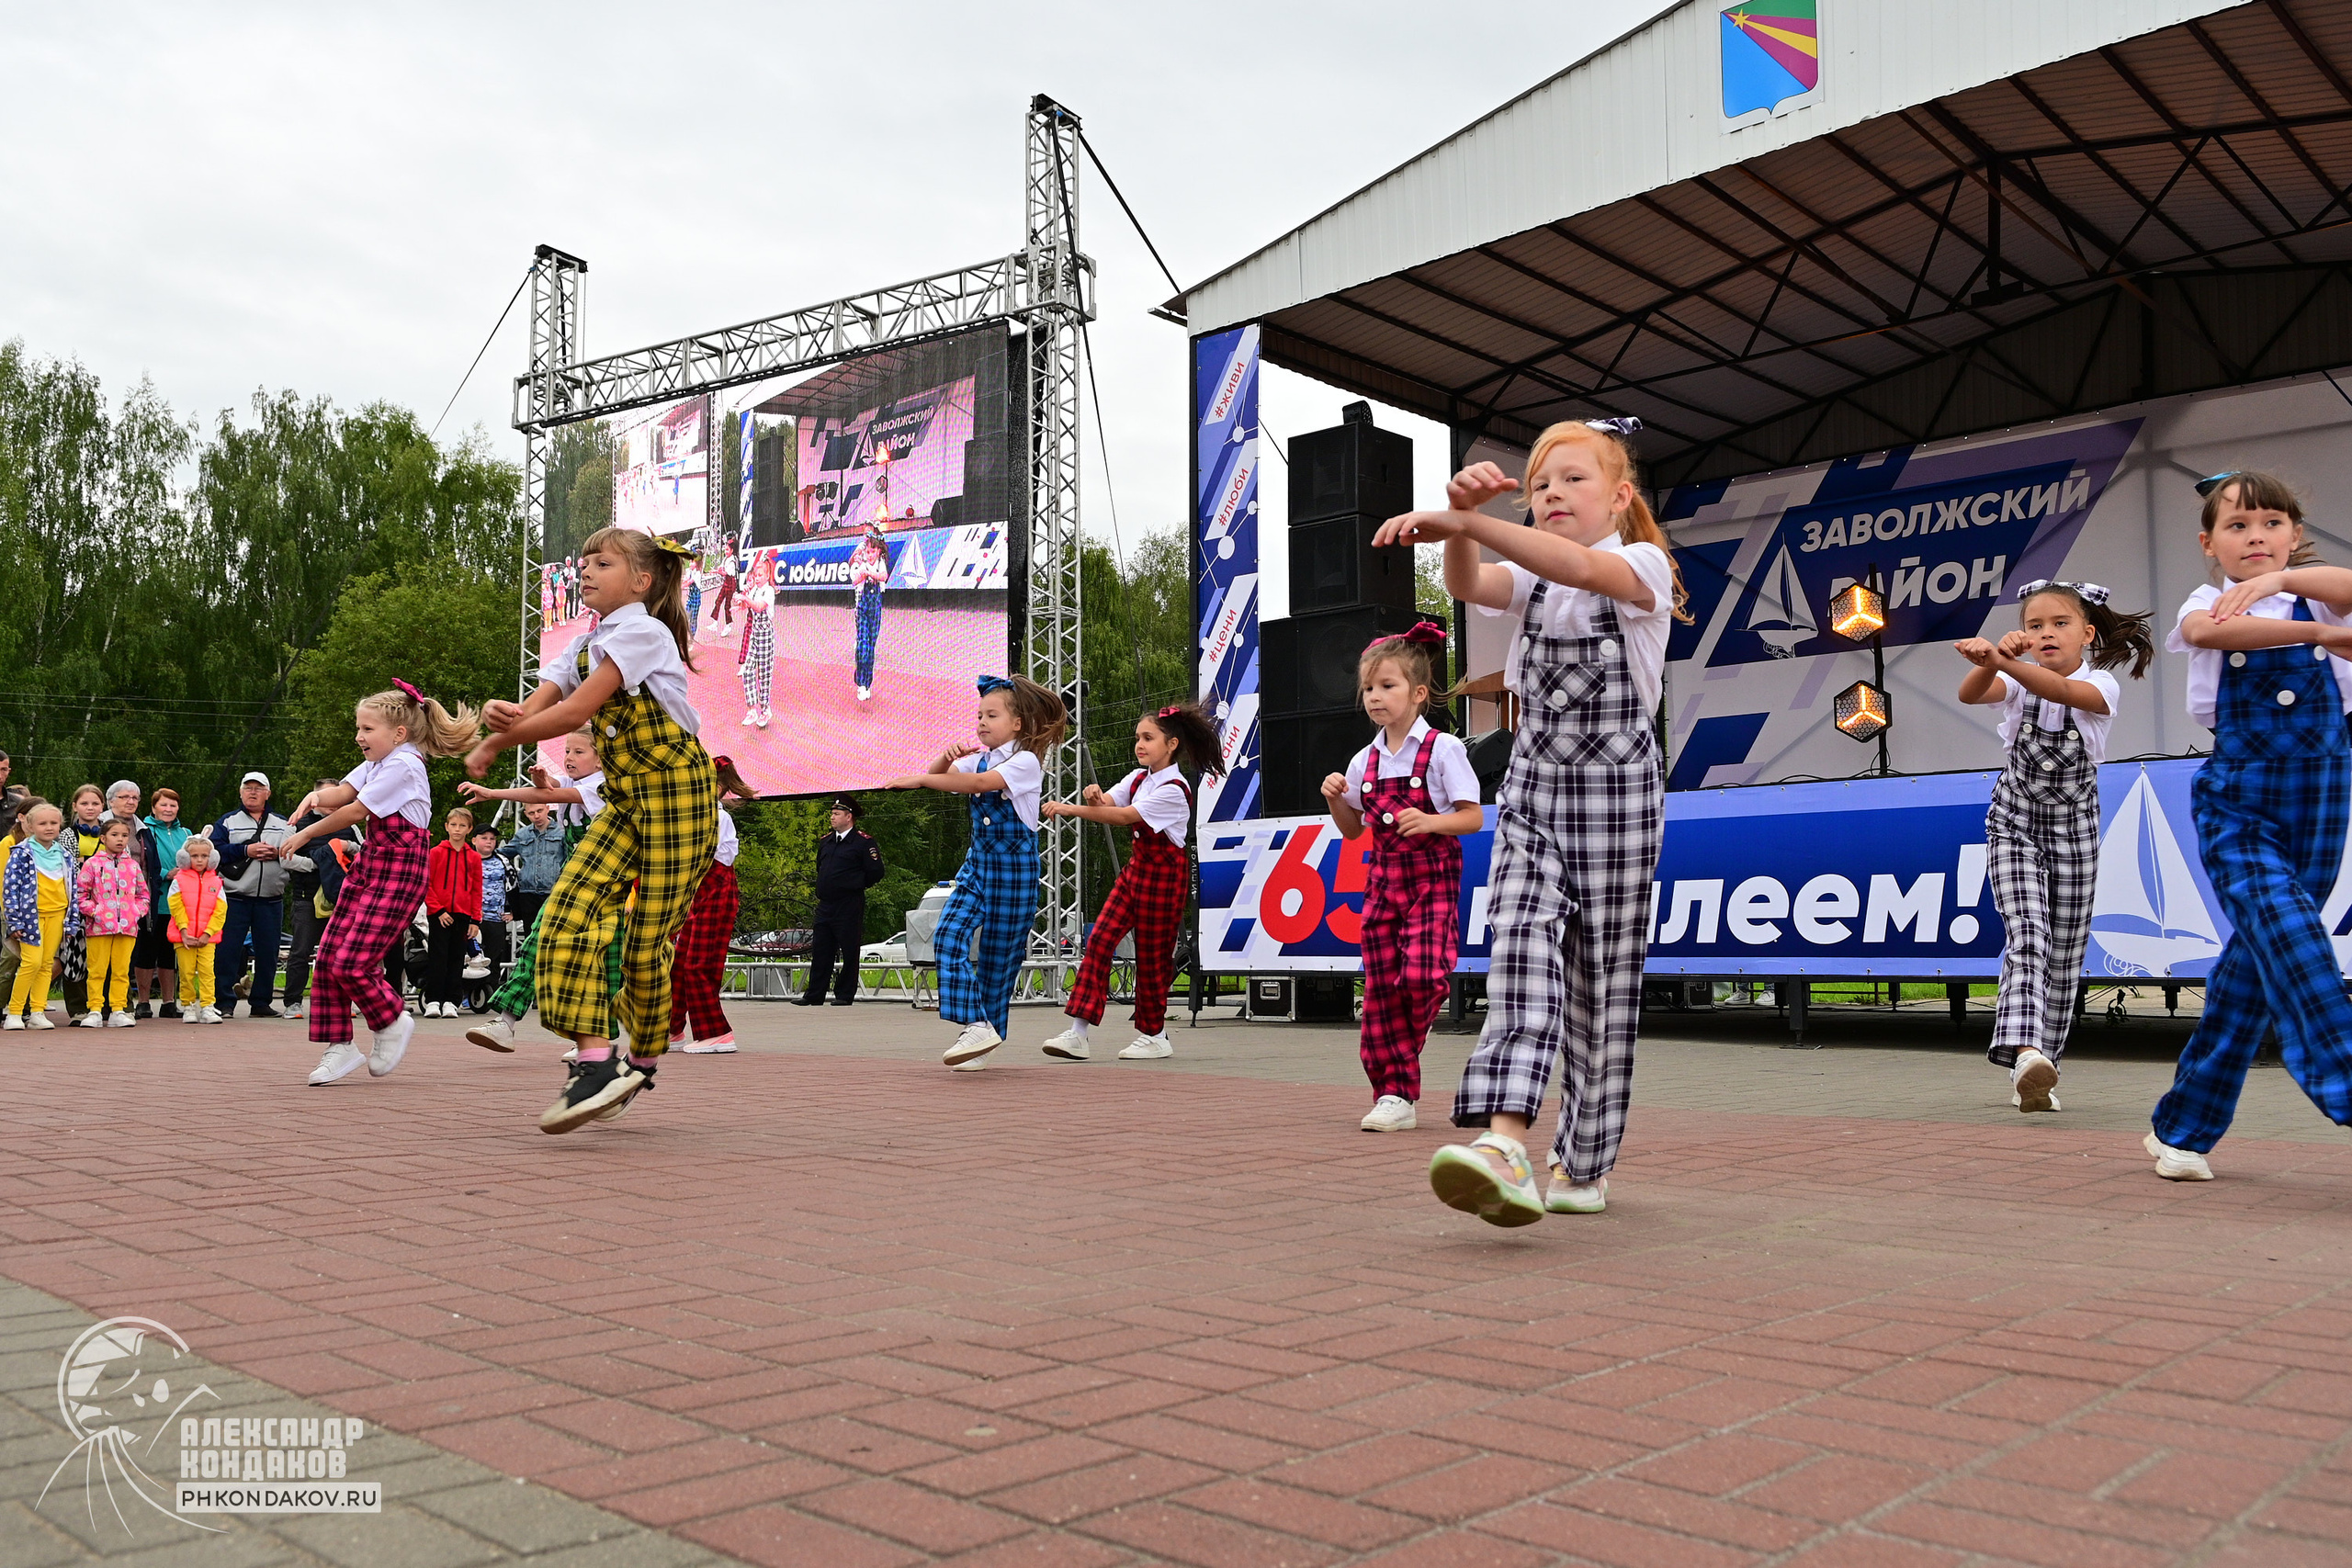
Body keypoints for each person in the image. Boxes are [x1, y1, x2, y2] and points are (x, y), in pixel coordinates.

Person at [1376, 417, 1685, 1225]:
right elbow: (1473, 584)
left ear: (1619, 497)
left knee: (1601, 986)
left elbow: (1581, 565)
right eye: (1540, 483)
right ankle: (1505, 1141)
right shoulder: (1533, 580)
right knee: (1518, 940)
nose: (1552, 493)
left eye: (1572, 479)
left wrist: (1472, 522)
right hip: (1536, 789)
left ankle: (1583, 1161)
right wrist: (1456, 517)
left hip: (1619, 797)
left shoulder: (1639, 561)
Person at [464, 526, 718, 1134]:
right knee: (562, 917)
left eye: (602, 562)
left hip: (679, 796)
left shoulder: (644, 632)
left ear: (642, 579)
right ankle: (596, 1062)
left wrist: (498, 739)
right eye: (583, 562)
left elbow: (575, 712)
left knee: (643, 944)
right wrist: (504, 714)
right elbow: (538, 706)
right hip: (627, 802)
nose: (586, 570)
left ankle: (644, 1059)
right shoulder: (580, 645)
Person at [2146, 471, 2352, 1179]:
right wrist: (2319, 629)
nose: (2255, 535)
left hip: (2324, 801)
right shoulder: (2208, 599)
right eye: (2237, 526)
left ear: (2295, 535)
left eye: (2270, 522)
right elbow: (2211, 630)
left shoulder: (2323, 590)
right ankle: (2346, 1076)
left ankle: (2180, 1128)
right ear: (2210, 544)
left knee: (2249, 973)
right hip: (2239, 802)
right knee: (2294, 937)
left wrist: (2290, 589)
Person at [1956, 581, 2154, 1114]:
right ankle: (2025, 1054)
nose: (2046, 634)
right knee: (2029, 935)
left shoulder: (2102, 685)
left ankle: (2044, 1062)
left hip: (2076, 828)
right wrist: (1987, 663)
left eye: (2060, 624)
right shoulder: (2017, 683)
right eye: (2035, 625)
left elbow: (2063, 694)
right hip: (2013, 821)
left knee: (2066, 952)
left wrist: (2003, 658)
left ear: (2088, 633)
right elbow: (1970, 695)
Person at [1319, 626, 1484, 1131]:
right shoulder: (1362, 760)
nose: (1375, 697)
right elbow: (1352, 830)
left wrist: (1432, 821)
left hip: (1432, 877)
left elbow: (1472, 816)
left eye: (1387, 686)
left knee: (1422, 977)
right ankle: (1393, 1091)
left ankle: (1399, 1074)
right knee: (1381, 992)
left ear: (1417, 693)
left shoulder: (1442, 749)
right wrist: (1333, 799)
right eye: (1369, 688)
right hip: (1384, 881)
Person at [288, 681, 481, 1087]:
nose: (359, 736)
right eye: (358, 728)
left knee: (351, 962)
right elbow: (343, 792)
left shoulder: (404, 765)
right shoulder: (380, 762)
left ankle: (391, 1017)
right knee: (328, 960)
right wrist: (314, 797)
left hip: (399, 873)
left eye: (367, 729)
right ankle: (339, 1047)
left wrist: (307, 833)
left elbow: (356, 810)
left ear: (399, 733)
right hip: (371, 866)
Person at [885, 674, 1068, 1071]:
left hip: (1014, 870)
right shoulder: (975, 758)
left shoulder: (1025, 762)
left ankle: (983, 1041)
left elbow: (981, 784)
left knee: (999, 962)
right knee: (948, 935)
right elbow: (948, 775)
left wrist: (921, 779)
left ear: (1017, 724)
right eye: (979, 715)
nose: (982, 722)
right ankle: (975, 1024)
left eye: (992, 715)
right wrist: (944, 759)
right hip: (977, 865)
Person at [1038, 702, 1223, 1063]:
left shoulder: (1174, 788)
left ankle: (1155, 1035)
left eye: (1148, 738)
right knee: (1101, 940)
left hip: (1164, 880)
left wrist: (1071, 807)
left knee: (1152, 960)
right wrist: (1094, 797)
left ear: (1170, 745)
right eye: (1138, 737)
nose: (1139, 744)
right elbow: (1109, 802)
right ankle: (1078, 1033)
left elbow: (1123, 816)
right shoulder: (1138, 778)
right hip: (1136, 873)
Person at [460, 733, 621, 1054]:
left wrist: (534, 786)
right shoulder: (570, 783)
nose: (569, 756)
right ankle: (505, 1022)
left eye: (578, 751)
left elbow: (551, 791)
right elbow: (541, 790)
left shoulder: (603, 786)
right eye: (566, 750)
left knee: (603, 961)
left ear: (601, 758)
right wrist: (495, 792)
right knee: (538, 939)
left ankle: (593, 1038)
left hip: (609, 885)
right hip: (575, 882)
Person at [670, 756, 756, 1052]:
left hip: (715, 892)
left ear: (717, 788)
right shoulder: (691, 815)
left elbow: (717, 863)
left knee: (699, 965)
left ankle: (716, 1033)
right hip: (694, 895)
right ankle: (672, 1030)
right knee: (678, 964)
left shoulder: (718, 818)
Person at [209, 772, 306, 1020]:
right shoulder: (227, 822)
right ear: (240, 793)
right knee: (227, 951)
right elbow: (212, 852)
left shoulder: (284, 823)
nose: (252, 792)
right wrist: (245, 849)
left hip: (271, 898)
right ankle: (224, 1002)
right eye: (248, 788)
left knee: (268, 952)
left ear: (268, 794)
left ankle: (261, 1002)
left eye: (258, 788)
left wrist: (278, 854)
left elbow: (298, 851)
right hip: (235, 896)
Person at [279, 778, 355, 1019]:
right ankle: (293, 1003)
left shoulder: (350, 824)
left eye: (337, 796)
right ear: (314, 799)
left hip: (342, 899)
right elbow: (284, 858)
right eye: (327, 797)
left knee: (343, 953)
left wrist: (347, 846)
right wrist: (320, 862)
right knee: (300, 952)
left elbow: (365, 853)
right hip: (306, 897)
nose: (333, 803)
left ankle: (342, 1002)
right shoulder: (296, 823)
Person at [797, 795, 883, 1008]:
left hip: (849, 903)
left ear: (849, 817)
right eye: (832, 814)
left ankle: (844, 994)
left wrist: (854, 884)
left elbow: (876, 871)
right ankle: (814, 994)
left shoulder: (863, 842)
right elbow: (821, 867)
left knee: (849, 949)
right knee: (821, 948)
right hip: (826, 903)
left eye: (836, 814)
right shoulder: (826, 841)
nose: (832, 818)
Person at [5, 802, 78, 1029]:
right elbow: (10, 888)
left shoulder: (65, 855)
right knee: (31, 962)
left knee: (47, 963)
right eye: (42, 823)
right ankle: (14, 1012)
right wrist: (14, 920)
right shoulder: (20, 853)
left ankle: (38, 1011)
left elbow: (72, 888)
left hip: (57, 915)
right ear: (29, 825)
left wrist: (72, 920)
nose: (49, 827)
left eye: (54, 823)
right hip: (30, 918)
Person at [74, 816, 149, 1028]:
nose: (120, 840)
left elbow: (143, 895)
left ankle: (118, 1009)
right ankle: (95, 1009)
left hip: (127, 927)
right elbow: (81, 894)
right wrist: (95, 911)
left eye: (124, 836)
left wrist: (135, 912)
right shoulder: (92, 864)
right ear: (103, 837)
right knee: (97, 970)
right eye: (115, 835)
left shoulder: (133, 866)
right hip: (98, 927)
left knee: (121, 970)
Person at [134, 787, 192, 1019]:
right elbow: (141, 862)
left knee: (170, 953)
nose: (168, 809)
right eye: (164, 805)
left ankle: (169, 1002)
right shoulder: (144, 831)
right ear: (153, 808)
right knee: (146, 952)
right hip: (152, 899)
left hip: (179, 902)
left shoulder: (186, 833)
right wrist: (167, 873)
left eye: (173, 805)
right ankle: (144, 1001)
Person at [421, 806, 481, 1020]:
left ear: (469, 829)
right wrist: (438, 910)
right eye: (453, 825)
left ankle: (451, 1002)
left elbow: (476, 889)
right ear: (446, 827)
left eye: (462, 826)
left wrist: (475, 919)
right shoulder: (435, 853)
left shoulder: (473, 857)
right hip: (439, 914)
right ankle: (433, 1000)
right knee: (438, 957)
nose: (457, 829)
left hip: (463, 914)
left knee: (457, 958)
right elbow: (426, 884)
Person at [168, 836, 228, 1024]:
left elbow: (220, 911)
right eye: (194, 856)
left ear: (212, 858)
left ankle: (208, 1006)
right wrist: (184, 932)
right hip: (183, 937)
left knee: (207, 972)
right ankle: (188, 1006)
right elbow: (176, 907)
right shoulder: (178, 880)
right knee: (185, 973)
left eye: (204, 856)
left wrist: (208, 933)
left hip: (207, 938)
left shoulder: (217, 882)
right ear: (185, 858)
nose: (200, 860)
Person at [60, 784, 106, 1023]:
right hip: (76, 905)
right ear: (75, 806)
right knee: (75, 955)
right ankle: (77, 1007)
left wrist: (86, 861)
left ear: (102, 806)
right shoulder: (68, 835)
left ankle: (102, 1004)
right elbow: (71, 869)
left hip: (105, 906)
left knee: (102, 956)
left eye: (95, 803)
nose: (90, 808)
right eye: (85, 803)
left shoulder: (109, 832)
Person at [503, 802, 565, 934]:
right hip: (528, 893)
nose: (536, 816)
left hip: (554, 892)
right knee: (530, 935)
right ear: (525, 814)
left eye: (539, 811)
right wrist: (479, 855)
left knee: (554, 935)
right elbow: (504, 853)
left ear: (547, 809)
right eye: (531, 813)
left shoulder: (562, 831)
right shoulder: (522, 835)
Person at [470, 823, 513, 1009]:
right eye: (484, 838)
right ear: (474, 840)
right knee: (472, 958)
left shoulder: (503, 861)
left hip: (496, 918)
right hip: (472, 919)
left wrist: (512, 911)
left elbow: (512, 886)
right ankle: (469, 995)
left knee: (493, 958)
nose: (488, 842)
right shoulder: (467, 859)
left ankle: (491, 996)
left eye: (492, 839)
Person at [848, 525, 889, 703]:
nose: (870, 555)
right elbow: (854, 579)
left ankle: (867, 682)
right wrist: (863, 573)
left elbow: (884, 576)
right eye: (868, 552)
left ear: (879, 552)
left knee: (871, 648)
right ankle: (861, 683)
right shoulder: (862, 564)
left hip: (875, 609)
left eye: (873, 552)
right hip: (863, 608)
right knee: (863, 646)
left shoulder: (880, 565)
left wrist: (871, 572)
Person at [736, 550, 776, 729]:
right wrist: (741, 602)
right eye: (755, 575)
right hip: (755, 635)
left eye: (761, 575)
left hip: (766, 636)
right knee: (747, 669)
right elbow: (747, 607)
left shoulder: (768, 591)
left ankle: (765, 709)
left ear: (767, 576)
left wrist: (746, 598)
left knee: (764, 676)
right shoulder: (753, 590)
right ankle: (752, 709)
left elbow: (759, 607)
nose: (757, 578)